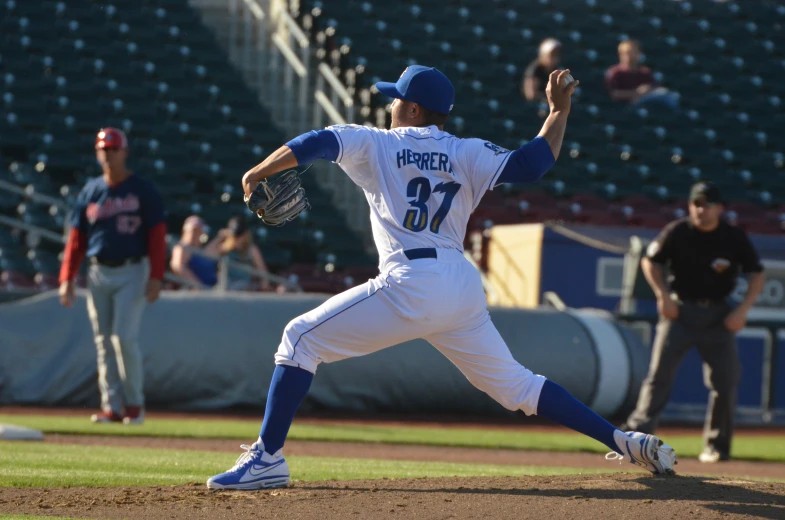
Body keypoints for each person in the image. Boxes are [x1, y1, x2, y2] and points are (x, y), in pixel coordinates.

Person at [205, 65, 676, 490]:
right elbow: (534, 163)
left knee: (299, 341)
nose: (389, 104)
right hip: (460, 283)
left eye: (395, 99)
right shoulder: (467, 151)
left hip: (413, 280)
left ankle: (267, 459)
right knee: (517, 386)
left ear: (411, 107)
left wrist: (258, 171)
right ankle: (623, 439)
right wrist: (558, 111)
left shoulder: (379, 142)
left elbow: (317, 142)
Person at [621, 182, 765, 463]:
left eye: (707, 204)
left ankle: (716, 446)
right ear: (690, 206)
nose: (701, 209)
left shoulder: (733, 237)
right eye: (696, 204)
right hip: (681, 312)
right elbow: (650, 261)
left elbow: (756, 274)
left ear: (720, 208)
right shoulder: (677, 231)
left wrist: (743, 310)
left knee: (725, 381)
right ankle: (637, 437)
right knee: (658, 376)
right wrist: (663, 296)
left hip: (719, 316)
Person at [58, 127, 167, 425]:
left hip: (132, 269)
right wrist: (67, 277)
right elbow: (77, 238)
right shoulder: (91, 191)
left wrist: (156, 275)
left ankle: (134, 406)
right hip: (98, 271)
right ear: (97, 153)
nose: (108, 154)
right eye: (103, 149)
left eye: (113, 149)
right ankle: (112, 407)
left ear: (124, 152)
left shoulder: (142, 189)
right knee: (103, 341)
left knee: (124, 338)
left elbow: (157, 236)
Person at [605, 39, 678, 111]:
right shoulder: (616, 73)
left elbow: (653, 87)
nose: (630, 56)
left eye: (633, 52)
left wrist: (646, 90)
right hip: (627, 105)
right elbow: (614, 94)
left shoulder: (644, 72)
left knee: (665, 94)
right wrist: (636, 93)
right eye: (627, 53)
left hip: (646, 101)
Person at [170, 215, 222, 288]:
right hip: (197, 294)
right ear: (185, 231)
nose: (196, 234)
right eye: (193, 231)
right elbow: (178, 266)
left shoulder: (200, 250)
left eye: (199, 231)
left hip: (214, 289)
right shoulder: (182, 247)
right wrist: (198, 286)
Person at [220, 216, 270, 291]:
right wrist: (219, 237)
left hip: (244, 291)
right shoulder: (224, 247)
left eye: (240, 235)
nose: (238, 238)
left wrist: (264, 286)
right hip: (226, 289)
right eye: (235, 235)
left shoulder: (252, 249)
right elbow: (207, 254)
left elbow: (263, 274)